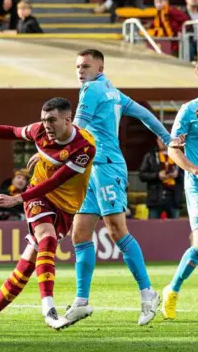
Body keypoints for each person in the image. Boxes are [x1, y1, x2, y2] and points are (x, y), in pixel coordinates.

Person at [0, 97, 96, 335]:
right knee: (47, 239)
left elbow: (57, 180)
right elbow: (12, 131)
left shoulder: (85, 148)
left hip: (65, 207)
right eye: (43, 119)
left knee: (27, 265)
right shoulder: (39, 131)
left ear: (68, 120)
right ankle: (49, 311)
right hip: (39, 197)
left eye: (52, 120)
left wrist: (17, 199)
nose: (46, 125)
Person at [60, 49, 181, 327]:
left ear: (100, 67)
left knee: (117, 230)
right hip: (90, 168)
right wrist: (168, 137)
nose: (80, 71)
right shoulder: (113, 91)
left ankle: (147, 292)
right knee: (80, 233)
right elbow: (146, 115)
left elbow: (75, 129)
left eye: (86, 66)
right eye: (78, 66)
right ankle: (81, 301)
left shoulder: (91, 89)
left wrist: (49, 152)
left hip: (106, 166)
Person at [162, 73, 198, 319]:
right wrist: (194, 169)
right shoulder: (189, 111)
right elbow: (173, 149)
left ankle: (172, 288)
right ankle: (173, 290)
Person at [139, 138, 183, 219]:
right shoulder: (150, 156)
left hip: (174, 199)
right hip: (155, 198)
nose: (162, 142)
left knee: (175, 228)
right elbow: (142, 175)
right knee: (153, 228)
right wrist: (157, 175)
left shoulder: (178, 155)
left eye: (165, 139)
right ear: (157, 141)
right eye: (160, 140)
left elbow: (188, 175)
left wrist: (178, 175)